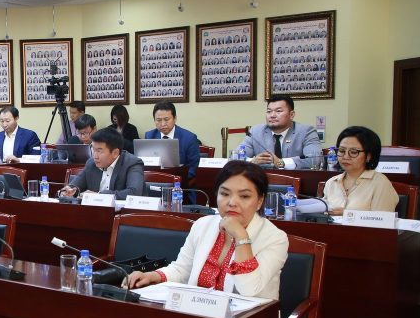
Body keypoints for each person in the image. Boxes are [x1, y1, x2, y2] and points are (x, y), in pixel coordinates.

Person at [128, 161, 289, 300]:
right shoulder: (203, 225)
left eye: (244, 196)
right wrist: (152, 276)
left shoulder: (275, 238)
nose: (232, 202)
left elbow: (249, 289)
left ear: (260, 201)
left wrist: (241, 236)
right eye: (225, 193)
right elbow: (182, 269)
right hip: (198, 313)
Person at [322, 126, 399, 215]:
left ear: (368, 156)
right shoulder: (331, 183)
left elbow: (383, 220)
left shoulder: (380, 183)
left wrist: (349, 214)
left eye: (353, 152)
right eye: (342, 151)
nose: (345, 156)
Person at [238, 95, 322, 169]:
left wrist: (281, 163)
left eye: (278, 111)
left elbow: (315, 160)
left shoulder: (306, 132)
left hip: (296, 180)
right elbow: (236, 157)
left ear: (291, 115)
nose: (272, 115)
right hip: (263, 180)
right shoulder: (255, 132)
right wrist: (252, 161)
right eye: (269, 111)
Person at [60, 129, 145, 200]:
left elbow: (134, 193)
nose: (95, 156)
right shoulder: (91, 163)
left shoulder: (132, 163)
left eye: (99, 151)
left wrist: (99, 195)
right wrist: (69, 190)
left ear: (115, 153)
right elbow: (76, 184)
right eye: (93, 150)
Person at [144, 101, 201, 179]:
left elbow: (194, 167)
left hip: (179, 181)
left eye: (166, 119)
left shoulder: (189, 138)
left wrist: (177, 180)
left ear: (175, 118)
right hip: (155, 180)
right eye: (159, 120)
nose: (163, 124)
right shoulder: (150, 136)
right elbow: (146, 164)